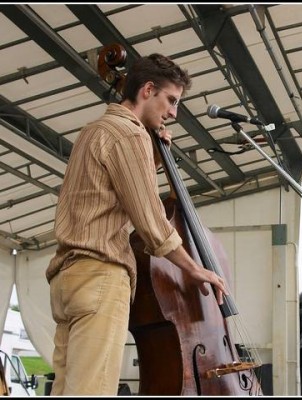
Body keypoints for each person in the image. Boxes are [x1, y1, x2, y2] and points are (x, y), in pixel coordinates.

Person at [45, 53, 228, 395]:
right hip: (100, 276)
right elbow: (151, 221)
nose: (174, 112)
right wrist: (194, 268)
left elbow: (110, 187)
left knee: (67, 390)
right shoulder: (130, 135)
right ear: (147, 90)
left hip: (66, 280)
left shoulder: (93, 131)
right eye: (171, 100)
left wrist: (155, 156)